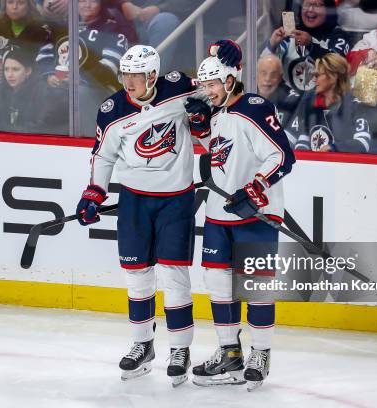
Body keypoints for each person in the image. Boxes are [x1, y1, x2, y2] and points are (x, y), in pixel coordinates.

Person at [75, 41, 242, 385]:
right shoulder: (112, 109)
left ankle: (180, 348)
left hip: (175, 202)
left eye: (136, 75)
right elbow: (103, 156)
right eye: (125, 75)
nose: (128, 82)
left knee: (174, 276)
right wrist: (94, 193)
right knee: (137, 276)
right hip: (135, 201)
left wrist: (202, 116)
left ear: (152, 74)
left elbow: (219, 92)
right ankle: (142, 345)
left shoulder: (179, 86)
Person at [184, 56, 295, 390]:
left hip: (254, 213)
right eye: (203, 85)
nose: (208, 91)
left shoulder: (255, 107)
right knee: (218, 284)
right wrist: (200, 124)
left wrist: (255, 187)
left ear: (230, 80)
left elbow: (283, 156)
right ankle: (230, 352)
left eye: (213, 84)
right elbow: (213, 153)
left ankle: (260, 354)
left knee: (255, 286)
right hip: (219, 213)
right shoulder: (215, 112)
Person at [289, 53, 376, 153]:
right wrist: (301, 154)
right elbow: (304, 138)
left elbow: (363, 143)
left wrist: (334, 148)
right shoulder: (312, 105)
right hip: (315, 166)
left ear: (333, 76)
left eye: (317, 75)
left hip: (344, 167)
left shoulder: (355, 105)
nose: (313, 79)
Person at [260, 0, 351, 94]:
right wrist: (272, 45)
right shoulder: (288, 34)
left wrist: (311, 45)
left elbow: (338, 67)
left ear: (328, 10)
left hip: (326, 101)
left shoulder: (338, 36)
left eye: (317, 5)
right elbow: (262, 71)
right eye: (307, 5)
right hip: (290, 102)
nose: (311, 9)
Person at [0, 46, 54, 133]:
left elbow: (39, 127)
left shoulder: (42, 93)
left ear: (28, 71)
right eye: (6, 69)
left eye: (15, 69)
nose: (10, 75)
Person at [0, 0, 53, 68]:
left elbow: (45, 62)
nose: (14, 7)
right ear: (5, 5)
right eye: (10, 2)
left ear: (29, 6)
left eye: (21, 3)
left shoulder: (42, 31)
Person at [256, 54, 300, 127]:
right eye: (264, 73)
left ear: (280, 77)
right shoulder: (246, 97)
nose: (267, 79)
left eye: (273, 75)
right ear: (257, 75)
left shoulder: (292, 102)